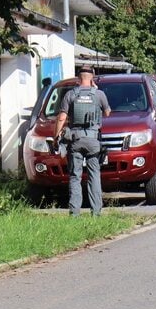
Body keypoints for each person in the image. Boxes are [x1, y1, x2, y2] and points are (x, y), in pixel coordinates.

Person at [54, 65, 111, 216]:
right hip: (93, 142)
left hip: (76, 141)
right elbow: (107, 113)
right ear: (91, 77)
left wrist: (56, 136)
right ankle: (96, 213)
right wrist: (96, 91)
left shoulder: (70, 94)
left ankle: (74, 213)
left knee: (75, 177)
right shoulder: (99, 94)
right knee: (94, 176)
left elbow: (61, 118)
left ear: (78, 78)